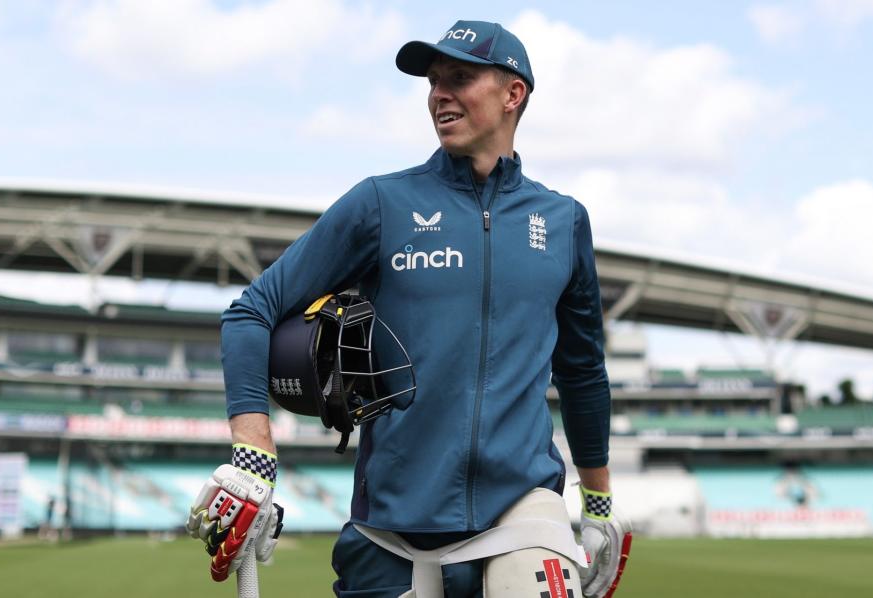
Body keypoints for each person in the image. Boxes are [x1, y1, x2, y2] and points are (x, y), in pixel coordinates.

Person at [187, 19, 631, 597]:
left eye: (460, 78)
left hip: (523, 512)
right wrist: (253, 454)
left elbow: (582, 372)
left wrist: (597, 505)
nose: (439, 94)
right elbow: (251, 312)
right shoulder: (382, 202)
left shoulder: (565, 221)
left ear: (513, 94)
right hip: (390, 529)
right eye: (433, 81)